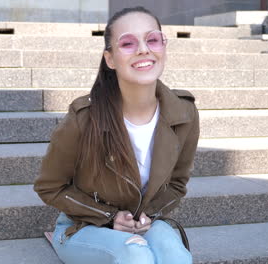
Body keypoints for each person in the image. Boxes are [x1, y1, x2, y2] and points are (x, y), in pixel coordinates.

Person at [34, 6, 200, 264]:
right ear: (110, 59)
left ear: (163, 46)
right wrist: (109, 217)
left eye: (152, 39)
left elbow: (177, 184)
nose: (144, 49)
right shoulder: (84, 117)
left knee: (176, 256)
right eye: (128, 43)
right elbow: (50, 186)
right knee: (136, 255)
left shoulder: (184, 112)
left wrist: (149, 216)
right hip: (83, 225)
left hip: (145, 221)